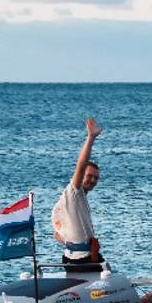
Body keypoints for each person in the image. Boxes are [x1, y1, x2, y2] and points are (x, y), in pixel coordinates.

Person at [52, 117, 105, 273]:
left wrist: (70, 242)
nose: (93, 180)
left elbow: (57, 234)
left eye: (96, 178)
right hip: (82, 260)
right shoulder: (73, 193)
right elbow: (81, 165)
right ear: (80, 176)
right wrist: (91, 138)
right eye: (89, 176)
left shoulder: (72, 200)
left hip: (75, 256)